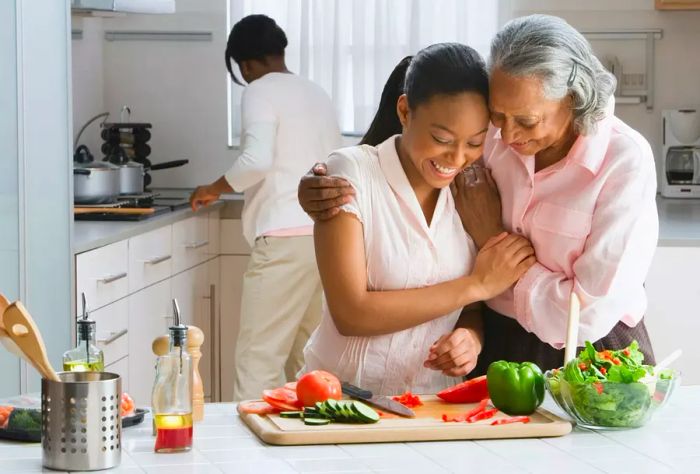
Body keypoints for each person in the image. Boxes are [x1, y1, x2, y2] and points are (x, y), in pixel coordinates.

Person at [298, 14, 658, 374]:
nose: (510, 136)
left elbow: (588, 315)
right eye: (497, 117)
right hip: (497, 343)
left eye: (527, 121)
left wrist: (493, 244)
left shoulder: (623, 161)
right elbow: (417, 144)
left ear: (572, 98)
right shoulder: (484, 141)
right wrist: (315, 186)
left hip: (589, 351)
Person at [301, 43, 536, 395]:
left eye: (475, 142)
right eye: (441, 138)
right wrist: (477, 284)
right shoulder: (350, 173)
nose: (457, 158)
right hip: (342, 396)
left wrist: (469, 339)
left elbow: (469, 310)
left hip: (433, 402)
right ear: (405, 111)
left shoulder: (474, 187)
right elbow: (351, 313)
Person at [190, 14, 342, 401]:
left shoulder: (259, 91)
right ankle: (310, 449)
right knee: (309, 363)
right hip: (327, 238)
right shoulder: (315, 92)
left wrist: (214, 187)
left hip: (283, 240)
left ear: (244, 64)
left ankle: (247, 455)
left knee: (258, 359)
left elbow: (255, 162)